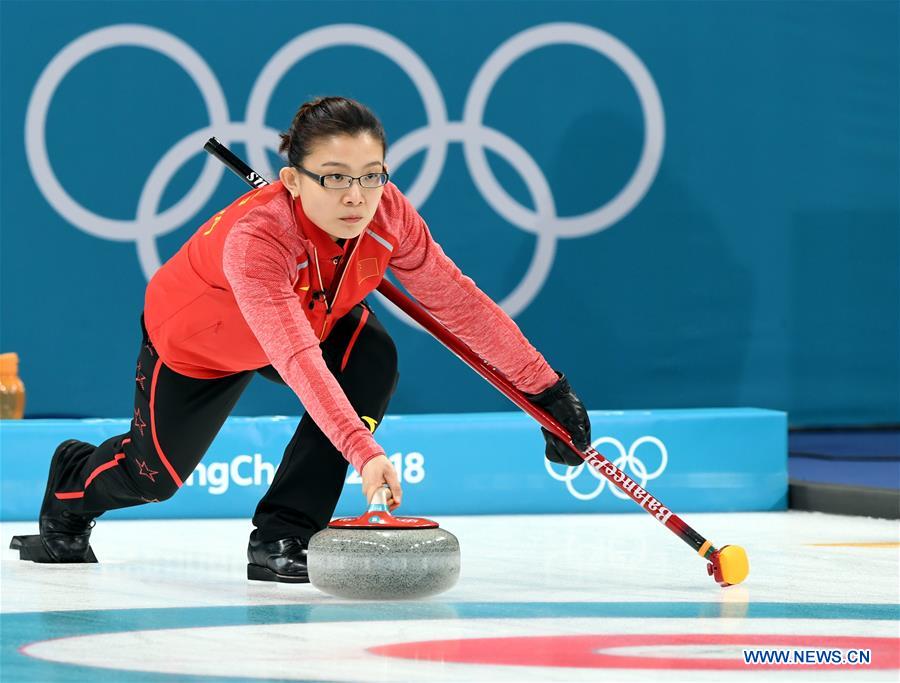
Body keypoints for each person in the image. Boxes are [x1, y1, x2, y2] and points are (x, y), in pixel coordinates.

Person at [22, 97, 591, 582]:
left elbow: (460, 302)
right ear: (293, 180)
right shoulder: (258, 240)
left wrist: (545, 392)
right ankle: (71, 486)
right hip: (200, 346)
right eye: (335, 176)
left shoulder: (388, 215)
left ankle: (284, 536)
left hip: (309, 319)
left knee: (371, 356)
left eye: (371, 174)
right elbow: (296, 358)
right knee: (152, 481)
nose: (356, 196)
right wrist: (365, 453)